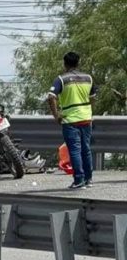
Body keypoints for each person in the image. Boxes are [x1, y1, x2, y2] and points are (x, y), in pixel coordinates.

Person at [47, 51, 97, 189]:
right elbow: (93, 97)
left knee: (74, 150)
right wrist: (89, 112)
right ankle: (89, 179)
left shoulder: (61, 79)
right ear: (78, 63)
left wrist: (56, 115)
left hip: (70, 120)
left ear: (65, 64)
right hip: (86, 118)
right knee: (86, 149)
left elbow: (51, 97)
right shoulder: (88, 78)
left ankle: (78, 180)